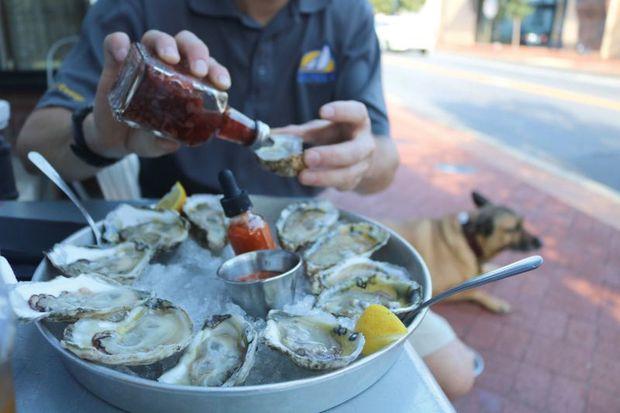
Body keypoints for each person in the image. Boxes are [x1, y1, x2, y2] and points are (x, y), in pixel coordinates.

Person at [16, 0, 475, 399]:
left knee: (455, 374)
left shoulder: (347, 12)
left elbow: (384, 162)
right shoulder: (139, 6)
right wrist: (99, 135)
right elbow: (32, 139)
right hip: (181, 239)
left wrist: (364, 159)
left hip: (313, 260)